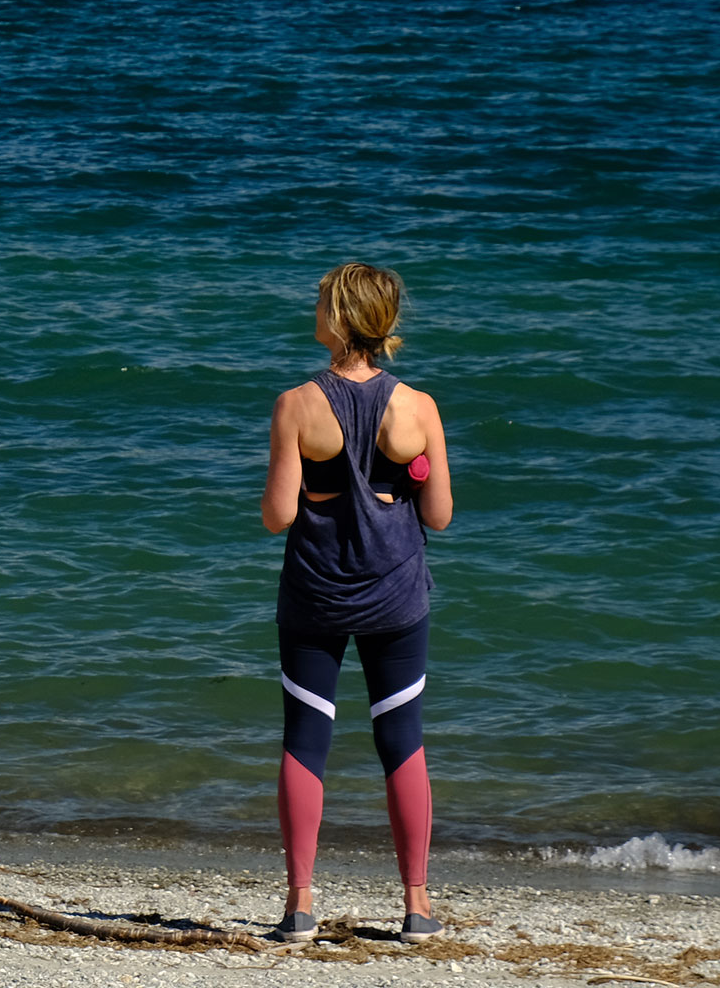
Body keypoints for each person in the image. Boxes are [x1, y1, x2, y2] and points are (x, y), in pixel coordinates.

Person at [260, 261, 453, 944]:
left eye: (320, 301)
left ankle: (300, 904)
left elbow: (278, 516)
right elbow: (440, 514)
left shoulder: (296, 405)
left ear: (341, 319)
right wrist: (408, 474)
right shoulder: (419, 407)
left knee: (306, 738)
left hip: (315, 590)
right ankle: (418, 907)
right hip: (396, 593)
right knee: (402, 740)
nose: (313, 309)